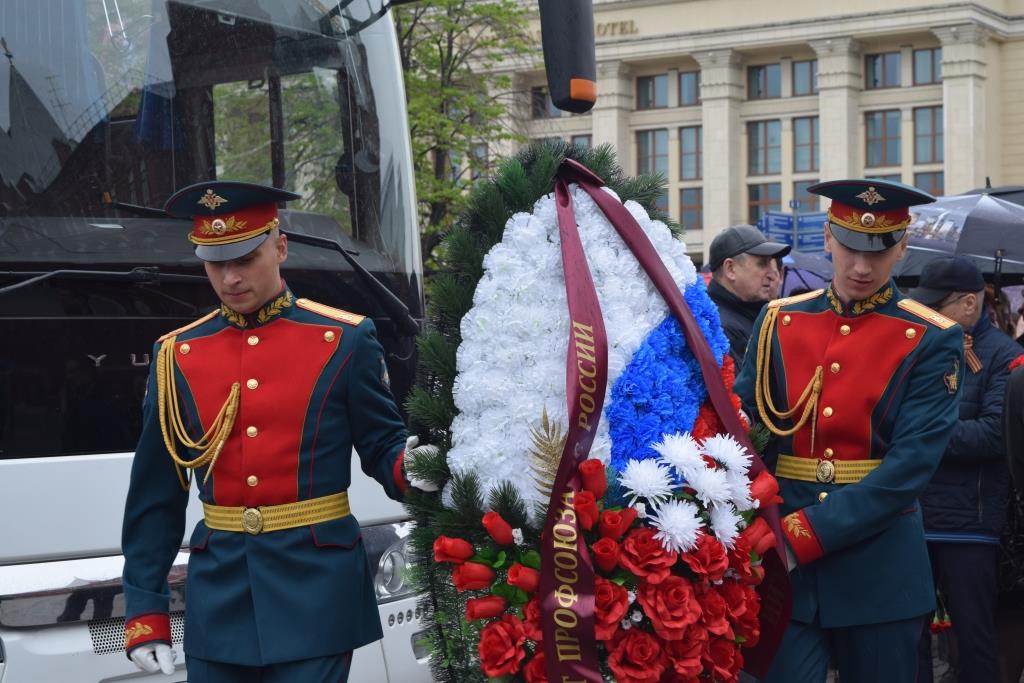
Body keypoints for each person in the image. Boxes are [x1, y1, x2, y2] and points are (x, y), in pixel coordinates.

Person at [121, 181, 434, 682]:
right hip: (218, 597)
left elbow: (382, 448)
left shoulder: (344, 341)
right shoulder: (176, 355)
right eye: (215, 261)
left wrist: (415, 468)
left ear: (280, 246)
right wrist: (145, 614)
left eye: (245, 257)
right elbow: (155, 496)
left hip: (317, 592)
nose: (230, 277)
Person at [735, 179, 964, 683]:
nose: (862, 267)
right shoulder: (779, 321)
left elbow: (910, 466)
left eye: (879, 253)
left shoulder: (932, 337)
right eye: (852, 249)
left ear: (902, 247)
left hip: (878, 570)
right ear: (830, 240)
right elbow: (744, 432)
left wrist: (801, 535)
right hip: (786, 575)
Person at [911, 257, 1020, 683]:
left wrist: (919, 436)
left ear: (970, 303)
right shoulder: (920, 348)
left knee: (975, 639)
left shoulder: (1007, 357)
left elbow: (993, 436)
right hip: (916, 516)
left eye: (938, 306)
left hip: (971, 525)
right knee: (912, 635)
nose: (928, 316)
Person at [706, 224, 789, 365]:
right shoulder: (720, 327)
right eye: (762, 264)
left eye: (771, 264)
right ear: (730, 269)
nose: (772, 274)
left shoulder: (748, 315)